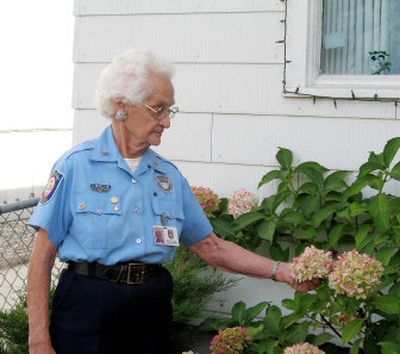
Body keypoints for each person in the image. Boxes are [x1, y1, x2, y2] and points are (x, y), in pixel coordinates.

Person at [27, 49, 317, 354]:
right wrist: (39, 341)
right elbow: (42, 256)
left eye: (170, 111)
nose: (166, 122)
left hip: (150, 309)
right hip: (87, 306)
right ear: (121, 106)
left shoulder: (168, 177)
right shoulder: (75, 166)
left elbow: (212, 248)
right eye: (158, 109)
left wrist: (281, 270)